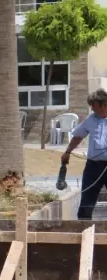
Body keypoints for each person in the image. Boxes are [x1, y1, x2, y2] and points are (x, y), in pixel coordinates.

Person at [61, 89, 107, 220]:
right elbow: (78, 136)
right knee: (86, 205)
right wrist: (67, 152)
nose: (92, 108)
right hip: (93, 167)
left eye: (94, 105)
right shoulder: (91, 119)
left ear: (104, 104)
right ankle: (83, 233)